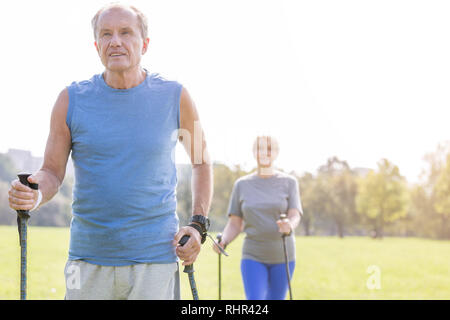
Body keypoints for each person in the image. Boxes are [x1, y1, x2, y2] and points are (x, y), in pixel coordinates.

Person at [7, 3, 212, 300]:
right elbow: (51, 172)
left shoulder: (175, 96)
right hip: (87, 258)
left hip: (154, 258)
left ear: (145, 43)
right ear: (96, 45)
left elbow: (201, 162)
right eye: (106, 34)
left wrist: (198, 225)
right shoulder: (70, 100)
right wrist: (34, 193)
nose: (115, 41)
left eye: (126, 32)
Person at [213, 136, 302, 300]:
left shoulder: (289, 182)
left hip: (283, 255)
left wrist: (289, 224)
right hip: (253, 255)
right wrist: (223, 240)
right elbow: (235, 223)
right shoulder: (242, 184)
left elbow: (295, 214)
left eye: (269, 148)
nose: (264, 152)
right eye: (260, 148)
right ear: (254, 152)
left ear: (276, 152)